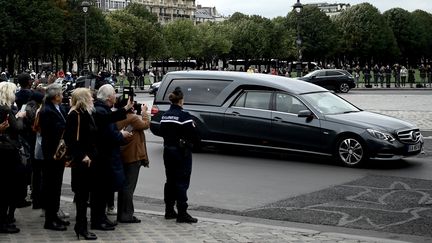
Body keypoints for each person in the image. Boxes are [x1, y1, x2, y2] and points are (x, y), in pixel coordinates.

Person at [91, 84, 133, 231]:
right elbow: (108, 134)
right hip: (105, 157)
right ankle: (98, 220)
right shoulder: (101, 110)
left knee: (102, 190)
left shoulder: (101, 108)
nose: (116, 96)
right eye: (114, 94)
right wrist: (121, 135)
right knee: (101, 191)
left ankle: (101, 218)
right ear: (109, 97)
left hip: (104, 156)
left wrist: (125, 109)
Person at [160, 87, 200, 223]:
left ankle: (169, 210)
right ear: (181, 101)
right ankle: (182, 212)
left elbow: (161, 131)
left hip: (167, 152)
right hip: (181, 153)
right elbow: (195, 135)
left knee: (170, 181)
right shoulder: (184, 116)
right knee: (182, 182)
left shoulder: (165, 116)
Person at [64, 88, 98, 240]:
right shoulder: (75, 115)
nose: (92, 98)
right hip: (81, 161)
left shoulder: (85, 113)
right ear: (84, 98)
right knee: (82, 197)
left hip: (88, 160)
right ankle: (81, 227)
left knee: (84, 196)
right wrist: (82, 155)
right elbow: (71, 140)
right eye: (90, 96)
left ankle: (82, 227)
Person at [39, 83, 70, 231]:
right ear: (55, 96)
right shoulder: (47, 111)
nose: (62, 96)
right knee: (51, 185)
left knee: (57, 185)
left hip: (59, 153)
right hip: (52, 153)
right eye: (61, 94)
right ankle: (49, 219)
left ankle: (55, 214)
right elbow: (51, 132)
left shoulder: (59, 108)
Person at [116, 99, 150, 223]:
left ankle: (122, 213)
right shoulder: (132, 118)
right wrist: (145, 112)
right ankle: (126, 215)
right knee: (129, 187)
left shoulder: (117, 117)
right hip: (133, 156)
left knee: (123, 186)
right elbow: (145, 124)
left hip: (122, 155)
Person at [0, 82, 26, 234]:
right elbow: (17, 128)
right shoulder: (5, 109)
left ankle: (4, 219)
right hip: (7, 152)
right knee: (7, 188)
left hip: (4, 150)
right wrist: (20, 117)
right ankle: (4, 221)